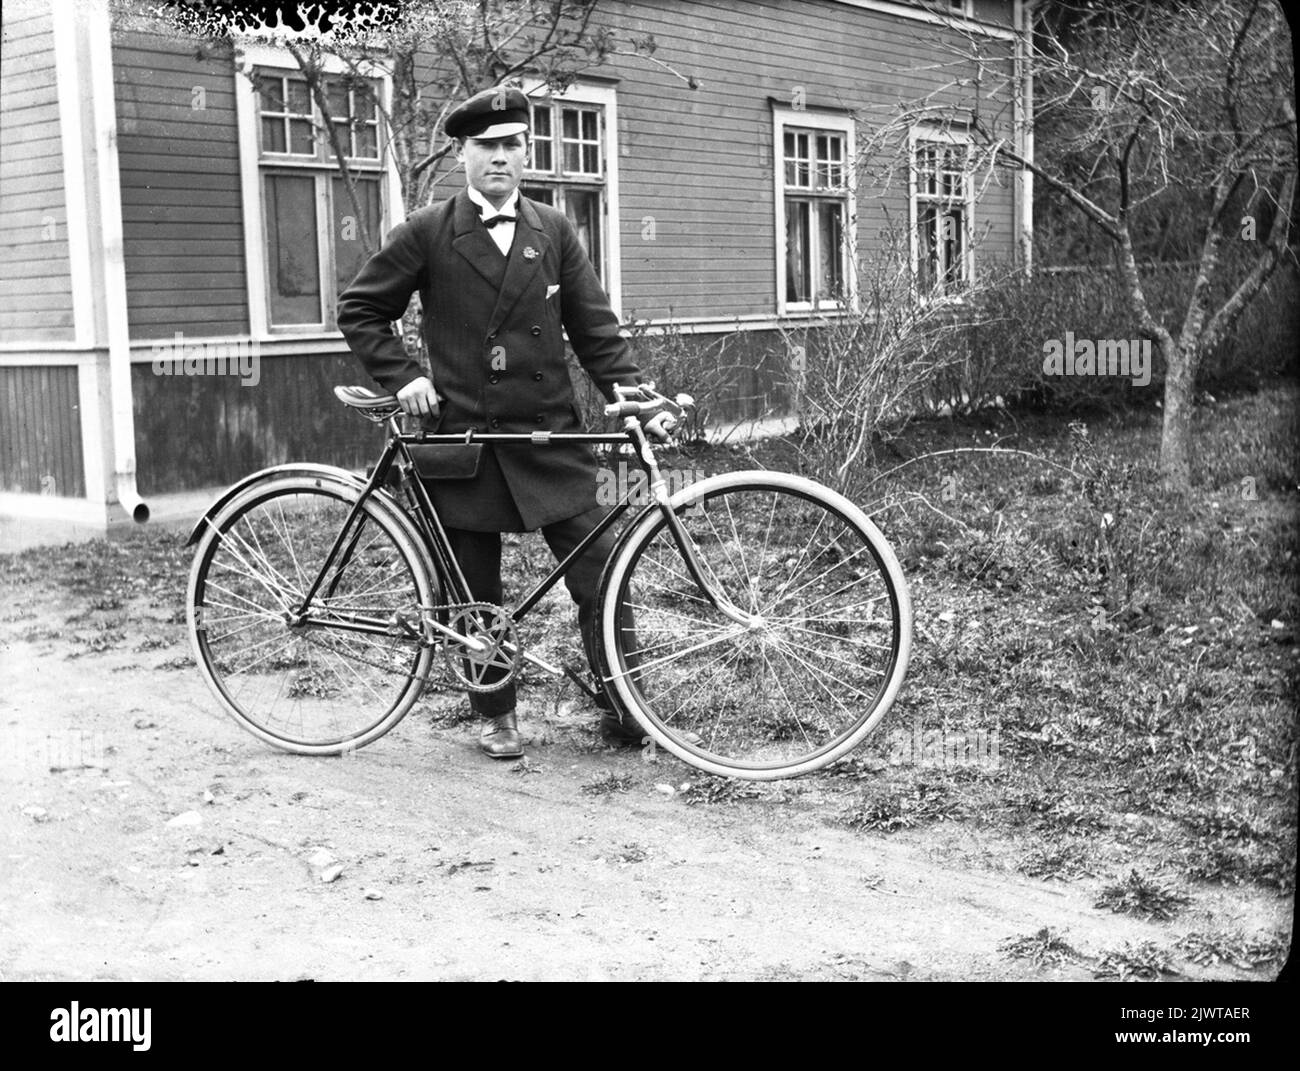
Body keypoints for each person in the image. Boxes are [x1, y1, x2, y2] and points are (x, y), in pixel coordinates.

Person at [337, 86, 671, 760]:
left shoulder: (553, 230)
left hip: (550, 435)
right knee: (475, 589)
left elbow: (596, 330)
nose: (501, 157)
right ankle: (496, 713)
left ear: (526, 152)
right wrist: (406, 378)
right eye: (487, 146)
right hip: (464, 442)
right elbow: (360, 309)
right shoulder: (429, 231)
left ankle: (626, 707)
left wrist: (635, 396)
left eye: (513, 144)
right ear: (462, 155)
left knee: (602, 573)